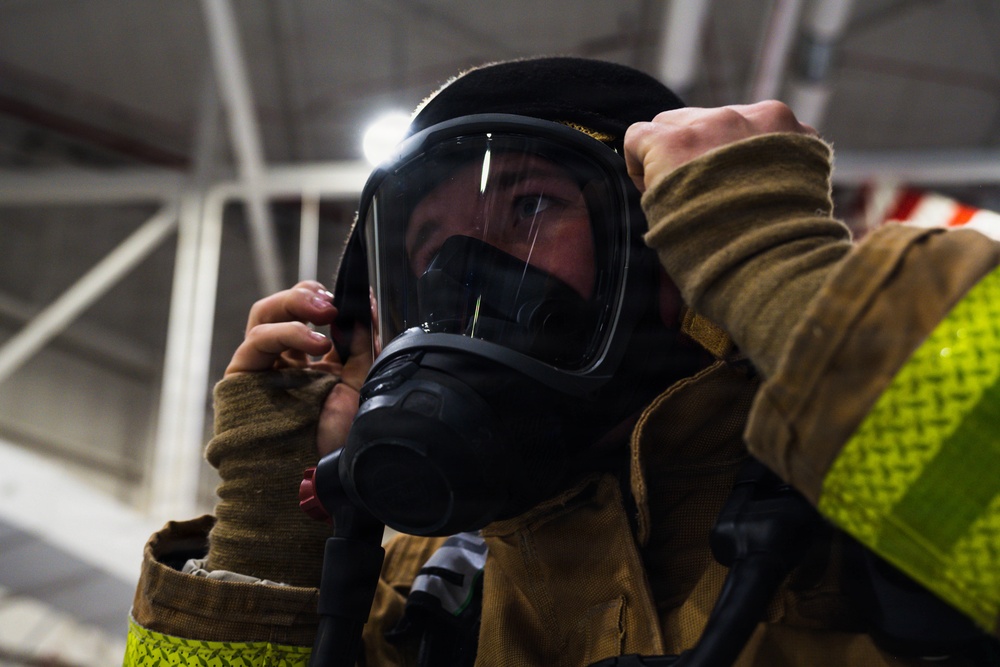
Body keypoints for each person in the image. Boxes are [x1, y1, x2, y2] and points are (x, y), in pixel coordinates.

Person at [123, 57, 1000, 666]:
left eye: (532, 206)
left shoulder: (845, 494)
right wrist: (269, 540)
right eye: (428, 244)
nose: (464, 269)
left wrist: (772, 264)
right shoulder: (410, 592)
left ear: (659, 252)